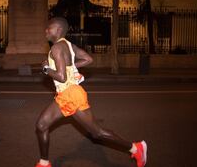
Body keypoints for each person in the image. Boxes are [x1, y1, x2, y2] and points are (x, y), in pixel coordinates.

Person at [35, 17, 147, 167]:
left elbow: (61, 77)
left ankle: (136, 148)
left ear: (58, 30)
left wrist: (46, 69)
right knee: (42, 125)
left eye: (49, 28)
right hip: (67, 94)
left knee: (98, 133)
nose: (46, 31)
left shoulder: (56, 48)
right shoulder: (68, 45)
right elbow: (88, 59)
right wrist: (72, 68)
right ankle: (44, 163)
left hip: (71, 95)